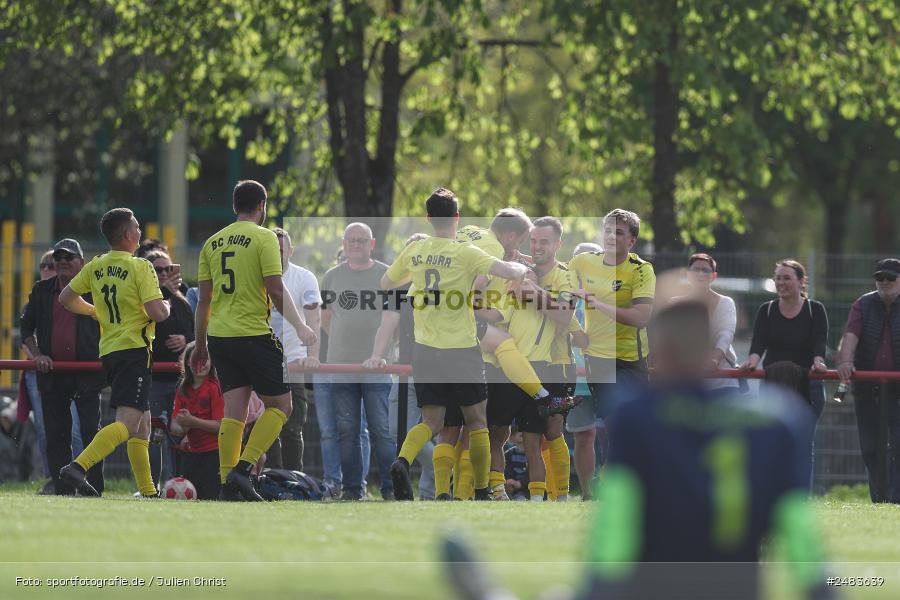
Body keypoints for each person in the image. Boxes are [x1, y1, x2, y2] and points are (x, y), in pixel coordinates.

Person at [444, 300, 833, 600]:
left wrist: (595, 592)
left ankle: (489, 594)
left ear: (660, 349)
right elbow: (802, 540)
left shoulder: (640, 415)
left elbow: (615, 526)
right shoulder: (779, 420)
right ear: (712, 346)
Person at [383, 187, 529, 501]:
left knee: (432, 422)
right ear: (457, 218)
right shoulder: (466, 252)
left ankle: (402, 461)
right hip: (461, 349)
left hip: (424, 349)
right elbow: (507, 270)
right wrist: (522, 267)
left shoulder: (416, 250)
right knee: (477, 421)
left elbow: (386, 283)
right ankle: (479, 489)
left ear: (428, 218)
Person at [191, 180, 317, 501]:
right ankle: (243, 470)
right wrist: (301, 326)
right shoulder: (265, 238)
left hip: (220, 336)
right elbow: (276, 289)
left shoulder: (212, 243)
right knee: (282, 406)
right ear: (262, 206)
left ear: (235, 207)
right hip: (253, 334)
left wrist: (201, 345)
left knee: (234, 411)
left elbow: (204, 301)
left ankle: (226, 484)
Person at [57, 210, 171, 497]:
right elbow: (158, 313)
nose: (139, 229)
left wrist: (94, 311)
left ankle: (148, 492)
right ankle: (78, 467)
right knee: (128, 423)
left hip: (110, 351)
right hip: (134, 351)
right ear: (128, 235)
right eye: (136, 226)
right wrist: (167, 305)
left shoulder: (96, 265)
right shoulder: (140, 267)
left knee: (142, 425)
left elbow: (65, 298)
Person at [482, 217, 577, 502]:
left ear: (558, 244)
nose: (535, 246)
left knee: (547, 433)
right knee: (497, 431)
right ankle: (495, 492)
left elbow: (564, 315)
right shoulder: (519, 273)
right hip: (509, 366)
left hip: (552, 365)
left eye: (543, 242)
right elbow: (498, 314)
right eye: (533, 240)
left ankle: (558, 495)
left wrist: (534, 292)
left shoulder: (566, 275)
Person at [567, 209, 656, 500]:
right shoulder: (582, 262)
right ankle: (589, 493)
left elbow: (641, 317)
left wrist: (598, 303)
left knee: (623, 430)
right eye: (607, 230)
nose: (610, 236)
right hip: (595, 358)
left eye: (618, 232)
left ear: (631, 241)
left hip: (629, 360)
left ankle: (615, 488)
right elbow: (561, 295)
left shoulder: (641, 269)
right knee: (590, 432)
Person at [20, 239, 106, 496]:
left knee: (92, 433)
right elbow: (25, 328)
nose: (63, 262)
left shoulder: (96, 288)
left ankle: (95, 488)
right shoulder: (41, 290)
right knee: (56, 435)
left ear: (82, 262)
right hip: (53, 374)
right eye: (58, 258)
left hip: (88, 373)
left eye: (69, 258)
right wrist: (37, 355)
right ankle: (62, 490)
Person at [321, 222, 396, 501]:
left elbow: (394, 319)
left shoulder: (386, 275)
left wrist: (378, 351)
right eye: (351, 241)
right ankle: (354, 490)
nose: (356, 245)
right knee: (347, 431)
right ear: (344, 243)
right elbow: (325, 318)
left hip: (377, 367)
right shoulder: (331, 277)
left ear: (372, 244)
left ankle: (391, 489)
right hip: (341, 366)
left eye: (362, 241)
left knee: (382, 431)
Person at [740, 259, 828, 486]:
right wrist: (751, 361)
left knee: (803, 443)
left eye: (786, 278)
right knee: (770, 442)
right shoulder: (766, 310)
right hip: (773, 386)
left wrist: (819, 362)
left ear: (801, 282)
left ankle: (799, 495)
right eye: (778, 278)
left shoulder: (815, 310)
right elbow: (758, 344)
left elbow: (819, 343)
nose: (781, 282)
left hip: (807, 387)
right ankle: (771, 493)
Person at [364, 233, 436, 500]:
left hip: (439, 367)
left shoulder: (443, 284)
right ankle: (439, 468)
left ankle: (432, 494)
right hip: (406, 369)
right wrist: (376, 354)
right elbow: (387, 325)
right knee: (398, 430)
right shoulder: (398, 288)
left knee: (439, 429)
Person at [18, 249, 84, 494]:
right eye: (47, 263)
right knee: (48, 431)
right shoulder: (37, 296)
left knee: (78, 430)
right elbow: (25, 333)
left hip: (76, 373)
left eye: (54, 263)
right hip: (43, 373)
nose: (51, 267)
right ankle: (56, 479)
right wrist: (38, 355)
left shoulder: (80, 292)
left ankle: (76, 478)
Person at [836, 257, 900, 503]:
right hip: (867, 389)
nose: (884, 282)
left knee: (898, 444)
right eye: (880, 278)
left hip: (897, 390)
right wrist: (844, 361)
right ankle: (879, 499)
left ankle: (895, 500)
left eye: (890, 278)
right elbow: (850, 335)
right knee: (871, 447)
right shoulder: (863, 304)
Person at [268, 227, 322, 473]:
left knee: (292, 426)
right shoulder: (257, 274)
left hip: (294, 361)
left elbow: (315, 319)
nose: (277, 254)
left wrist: (313, 356)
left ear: (291, 251)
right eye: (272, 250)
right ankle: (268, 478)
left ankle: (292, 477)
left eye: (280, 250)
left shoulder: (304, 277)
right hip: (263, 362)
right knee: (263, 426)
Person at [143, 249, 194, 488]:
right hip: (153, 378)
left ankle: (177, 484)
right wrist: (164, 290)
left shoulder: (182, 301)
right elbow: (151, 319)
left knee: (178, 434)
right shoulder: (144, 297)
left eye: (167, 269)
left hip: (179, 379)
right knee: (153, 435)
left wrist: (185, 340)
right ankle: (150, 486)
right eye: (158, 270)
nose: (164, 274)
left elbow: (194, 333)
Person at [170, 341, 224, 500]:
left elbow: (221, 426)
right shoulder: (182, 389)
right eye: (196, 359)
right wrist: (182, 426)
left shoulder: (214, 387)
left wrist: (191, 421)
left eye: (205, 359)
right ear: (187, 362)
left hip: (214, 453)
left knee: (211, 498)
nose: (201, 364)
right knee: (190, 498)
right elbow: (175, 426)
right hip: (192, 453)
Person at [680, 253, 740, 392]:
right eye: (696, 269)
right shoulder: (676, 304)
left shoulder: (725, 303)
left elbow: (725, 335)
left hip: (721, 380)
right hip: (685, 380)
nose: (700, 273)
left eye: (705, 270)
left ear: (714, 276)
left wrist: (714, 360)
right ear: (688, 275)